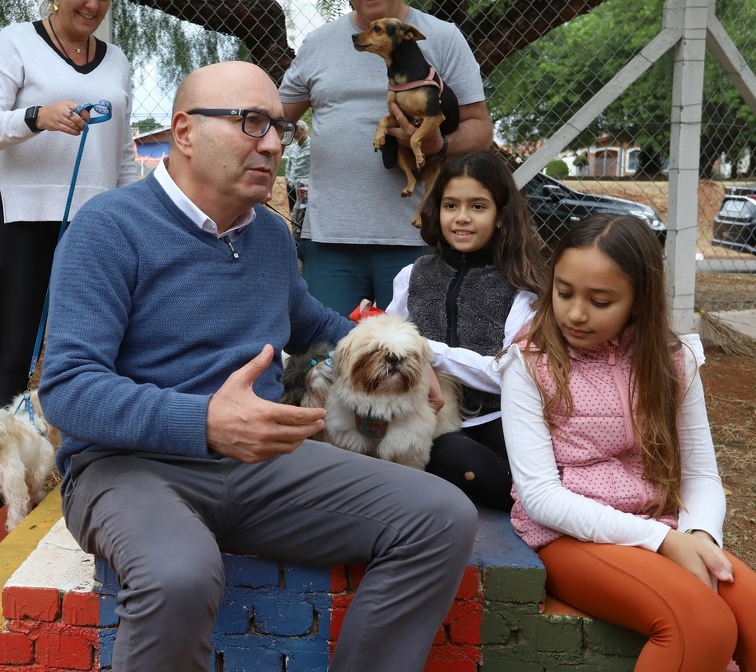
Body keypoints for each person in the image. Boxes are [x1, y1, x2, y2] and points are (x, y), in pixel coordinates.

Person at [39, 60, 478, 672]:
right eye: (250, 123)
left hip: (261, 466)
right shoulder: (108, 230)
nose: (272, 142)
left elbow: (313, 325)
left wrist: (395, 349)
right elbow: (67, 390)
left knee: (441, 517)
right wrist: (205, 422)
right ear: (185, 132)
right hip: (128, 467)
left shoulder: (268, 235)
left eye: (278, 127)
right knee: (178, 575)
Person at [496, 214, 756, 671]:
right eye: (563, 292)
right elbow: (540, 497)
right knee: (701, 623)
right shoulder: (529, 362)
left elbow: (700, 475)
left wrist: (698, 536)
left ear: (638, 300)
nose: (575, 313)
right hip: (568, 535)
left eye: (600, 301)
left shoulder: (674, 361)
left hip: (663, 525)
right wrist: (663, 542)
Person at [0, 0, 138, 413]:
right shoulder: (16, 42)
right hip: (28, 217)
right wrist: (35, 117)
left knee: (91, 352)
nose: (93, 5)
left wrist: (135, 213)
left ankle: (85, 459)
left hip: (98, 222)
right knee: (17, 355)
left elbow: (124, 153)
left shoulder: (117, 61)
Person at [279, 0, 494, 316]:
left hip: (416, 237)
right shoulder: (318, 42)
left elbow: (480, 131)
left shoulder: (443, 37)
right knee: (326, 357)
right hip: (329, 238)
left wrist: (437, 144)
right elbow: (275, 120)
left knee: (416, 355)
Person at [385, 150, 546, 511]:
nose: (461, 218)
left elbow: (509, 374)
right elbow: (389, 348)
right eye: (450, 205)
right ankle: (532, 503)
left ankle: (541, 503)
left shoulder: (521, 288)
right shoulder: (413, 276)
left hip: (501, 418)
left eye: (477, 207)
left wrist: (425, 350)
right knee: (452, 455)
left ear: (501, 215)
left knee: (522, 461)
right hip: (429, 422)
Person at [284, 120, 311, 212]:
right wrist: (287, 177)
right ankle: (293, 225)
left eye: (295, 131)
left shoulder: (313, 147)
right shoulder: (293, 148)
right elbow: (289, 164)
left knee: (304, 211)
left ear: (303, 130)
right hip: (291, 184)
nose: (293, 133)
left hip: (304, 186)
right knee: (293, 210)